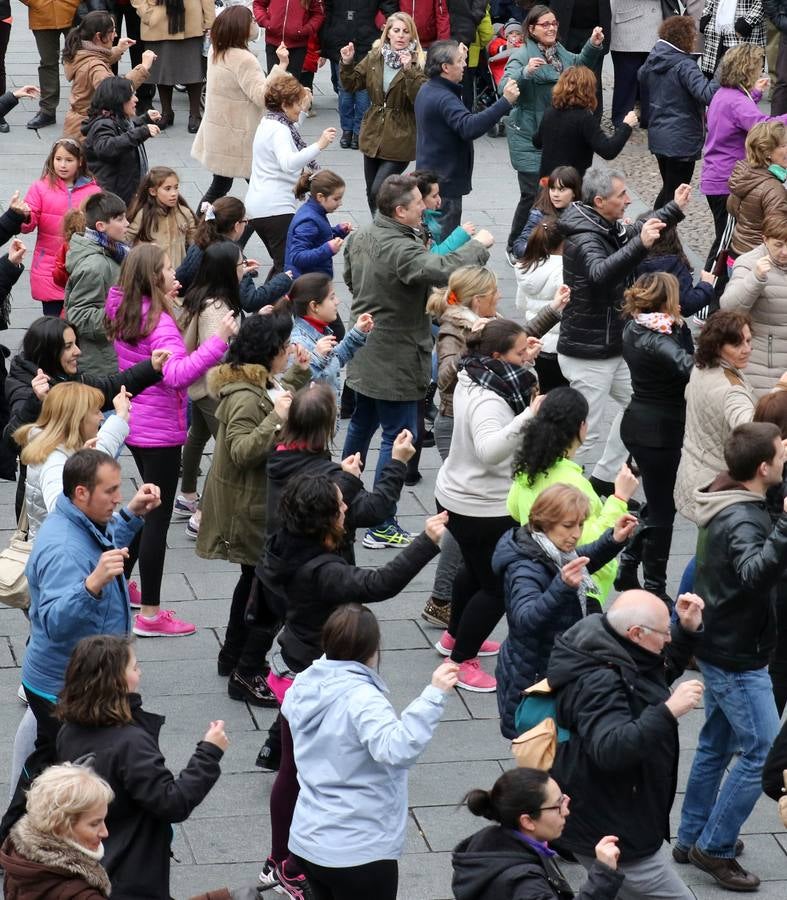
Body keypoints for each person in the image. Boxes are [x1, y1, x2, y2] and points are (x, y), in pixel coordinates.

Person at [256, 475, 448, 897]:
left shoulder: (287, 540)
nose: (348, 509)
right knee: (298, 770)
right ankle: (283, 860)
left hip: (293, 664)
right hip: (316, 669)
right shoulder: (324, 572)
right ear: (324, 518)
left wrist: (356, 472)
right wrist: (427, 542)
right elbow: (377, 585)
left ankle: (282, 857)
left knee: (297, 765)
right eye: (341, 505)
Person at [0, 448, 161, 844]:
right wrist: (91, 585)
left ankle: (17, 836)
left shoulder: (78, 522)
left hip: (64, 678)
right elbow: (52, 622)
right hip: (66, 683)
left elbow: (100, 541)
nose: (118, 497)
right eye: (110, 492)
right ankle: (26, 842)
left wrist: (130, 517)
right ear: (81, 493)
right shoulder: (63, 549)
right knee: (63, 771)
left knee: (48, 761)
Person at [341, 173, 492, 548]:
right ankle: (382, 523)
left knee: (362, 424)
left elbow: (349, 278)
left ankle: (341, 502)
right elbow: (440, 270)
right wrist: (476, 246)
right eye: (418, 203)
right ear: (400, 210)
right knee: (398, 435)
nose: (425, 206)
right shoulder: (401, 249)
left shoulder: (361, 236)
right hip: (396, 355)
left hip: (365, 349)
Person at [673, 423, 784, 891]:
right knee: (760, 748)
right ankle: (714, 847)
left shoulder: (732, 499)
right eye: (782, 452)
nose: (786, 458)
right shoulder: (742, 519)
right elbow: (756, 574)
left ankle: (691, 835)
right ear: (763, 468)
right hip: (738, 655)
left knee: (718, 744)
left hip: (721, 643)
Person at [106, 243, 237, 637]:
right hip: (160, 427)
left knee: (142, 509)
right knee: (156, 519)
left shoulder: (122, 305)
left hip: (135, 421)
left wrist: (167, 302)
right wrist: (219, 343)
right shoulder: (159, 322)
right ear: (152, 278)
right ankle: (149, 613)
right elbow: (177, 374)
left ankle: (117, 586)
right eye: (166, 269)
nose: (174, 273)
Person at [283, 604, 459, 899]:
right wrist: (434, 695)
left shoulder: (306, 682)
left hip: (308, 840)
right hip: (358, 850)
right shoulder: (363, 698)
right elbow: (397, 749)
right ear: (373, 648)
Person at [421, 267, 561, 628]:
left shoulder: (489, 322)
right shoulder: (456, 327)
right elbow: (448, 375)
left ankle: (452, 603)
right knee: (462, 520)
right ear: (477, 299)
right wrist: (474, 346)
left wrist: (551, 313)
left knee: (467, 533)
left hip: (473, 422)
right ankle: (441, 599)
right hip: (455, 421)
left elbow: (511, 346)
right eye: (494, 292)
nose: (500, 296)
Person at [547, 590, 706, 900]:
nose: (669, 638)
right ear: (635, 634)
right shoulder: (598, 680)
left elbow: (647, 679)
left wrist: (686, 631)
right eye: (665, 631)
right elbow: (610, 749)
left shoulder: (611, 645)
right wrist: (669, 710)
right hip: (614, 828)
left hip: (614, 814)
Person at [56, 634, 228, 899]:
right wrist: (209, 752)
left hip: (89, 858)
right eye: (134, 667)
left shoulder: (68, 730)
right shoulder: (130, 743)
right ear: (116, 681)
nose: (140, 672)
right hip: (131, 869)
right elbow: (172, 803)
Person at [196, 313, 311, 703]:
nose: (287, 354)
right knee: (267, 589)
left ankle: (232, 655)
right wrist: (277, 419)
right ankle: (246, 670)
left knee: (253, 581)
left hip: (250, 502)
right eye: (283, 350)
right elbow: (243, 451)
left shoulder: (251, 383)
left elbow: (271, 398)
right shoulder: (244, 396)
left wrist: (296, 378)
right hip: (247, 508)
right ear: (270, 354)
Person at [556, 167, 690, 498]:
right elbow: (601, 273)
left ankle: (602, 479)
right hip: (589, 352)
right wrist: (641, 246)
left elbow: (632, 234)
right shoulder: (584, 236)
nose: (629, 199)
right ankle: (559, 495)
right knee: (583, 433)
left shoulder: (602, 223)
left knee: (637, 404)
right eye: (622, 196)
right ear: (600, 201)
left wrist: (671, 209)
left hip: (611, 345)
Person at [434, 319, 542, 692]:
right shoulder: (490, 398)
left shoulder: (476, 373)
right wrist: (530, 415)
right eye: (519, 352)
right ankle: (461, 661)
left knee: (474, 571)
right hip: (480, 504)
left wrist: (528, 360)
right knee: (497, 587)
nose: (525, 357)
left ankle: (454, 637)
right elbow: (490, 451)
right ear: (497, 356)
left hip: (459, 492)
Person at [494, 484, 635, 739]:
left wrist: (613, 539)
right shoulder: (525, 567)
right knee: (541, 752)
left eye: (580, 525)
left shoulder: (548, 550)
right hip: (535, 675)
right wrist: (561, 587)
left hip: (551, 664)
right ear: (545, 522)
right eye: (568, 526)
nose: (576, 534)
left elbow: (580, 558)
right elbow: (524, 621)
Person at [508, 387, 639, 601]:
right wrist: (619, 498)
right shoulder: (572, 483)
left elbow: (512, 507)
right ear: (581, 427)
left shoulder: (530, 467)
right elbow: (593, 541)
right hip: (577, 587)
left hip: (538, 572)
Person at [498, 4, 604, 255]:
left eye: (554, 23)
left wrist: (592, 44)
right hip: (527, 136)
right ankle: (515, 245)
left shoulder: (559, 52)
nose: (551, 28)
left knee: (546, 196)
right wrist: (525, 73)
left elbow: (578, 64)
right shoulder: (522, 54)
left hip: (549, 139)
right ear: (531, 28)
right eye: (545, 24)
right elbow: (505, 84)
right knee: (532, 194)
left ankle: (541, 244)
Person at [617, 273, 694, 604]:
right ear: (665, 300)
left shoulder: (640, 326)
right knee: (664, 510)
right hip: (658, 432)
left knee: (660, 500)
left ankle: (628, 562)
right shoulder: (658, 337)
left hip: (642, 424)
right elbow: (688, 365)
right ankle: (654, 586)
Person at [176, 240, 257, 535]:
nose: (244, 267)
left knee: (196, 436)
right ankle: (202, 514)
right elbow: (217, 352)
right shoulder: (218, 308)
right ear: (226, 271)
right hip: (213, 389)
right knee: (226, 450)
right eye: (240, 264)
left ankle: (186, 496)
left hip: (197, 388)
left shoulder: (203, 294)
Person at [452, 768, 625, 900]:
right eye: (558, 805)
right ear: (527, 821)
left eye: (563, 799)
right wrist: (604, 874)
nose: (566, 811)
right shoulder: (526, 884)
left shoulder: (488, 843)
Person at [414, 39, 518, 234]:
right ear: (445, 67)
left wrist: (456, 52)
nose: (464, 65)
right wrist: (504, 102)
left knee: (432, 237)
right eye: (460, 61)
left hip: (434, 176)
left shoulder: (429, 88)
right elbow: (469, 127)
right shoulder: (444, 97)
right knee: (443, 242)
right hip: (444, 183)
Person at [191, 6, 289, 207]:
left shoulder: (216, 50)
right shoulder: (244, 59)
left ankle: (198, 229)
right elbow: (263, 96)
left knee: (220, 186)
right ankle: (250, 235)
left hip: (220, 133)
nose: (255, 23)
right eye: (251, 21)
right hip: (241, 138)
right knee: (261, 194)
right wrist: (281, 66)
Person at [700, 43, 786, 268]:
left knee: (724, 238)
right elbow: (764, 128)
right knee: (725, 241)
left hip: (715, 176)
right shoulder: (737, 101)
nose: (761, 70)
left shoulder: (724, 94)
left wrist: (755, 94)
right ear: (748, 69)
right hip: (725, 182)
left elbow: (739, 113)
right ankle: (710, 291)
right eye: (759, 66)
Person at [245, 74, 337, 280]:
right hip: (275, 209)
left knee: (283, 264)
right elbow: (288, 163)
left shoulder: (270, 121)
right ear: (285, 105)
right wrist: (319, 145)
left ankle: (268, 307)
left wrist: (302, 110)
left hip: (259, 207)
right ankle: (266, 308)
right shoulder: (279, 129)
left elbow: (290, 132)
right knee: (287, 267)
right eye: (297, 103)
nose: (300, 108)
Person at [14, 382, 130, 541]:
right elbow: (62, 509)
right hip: (61, 555)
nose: (102, 416)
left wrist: (121, 415)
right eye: (96, 411)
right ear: (78, 419)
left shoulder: (65, 447)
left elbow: (100, 448)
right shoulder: (53, 459)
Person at [674, 310, 757, 524]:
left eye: (748, 341)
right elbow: (753, 433)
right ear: (718, 346)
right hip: (719, 489)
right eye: (737, 344)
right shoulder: (732, 391)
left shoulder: (701, 368)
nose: (746, 349)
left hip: (694, 473)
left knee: (710, 550)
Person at [339, 12, 427, 213]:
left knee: (379, 189)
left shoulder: (419, 62)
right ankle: (380, 230)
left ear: (412, 36)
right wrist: (346, 62)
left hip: (400, 135)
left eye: (406, 32)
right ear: (388, 33)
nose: (401, 36)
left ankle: (386, 230)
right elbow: (352, 83)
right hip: (373, 132)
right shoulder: (375, 57)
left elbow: (419, 99)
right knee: (371, 191)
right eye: (396, 31)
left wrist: (409, 70)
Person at [638, 16, 720, 209]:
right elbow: (706, 94)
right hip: (681, 141)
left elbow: (641, 75)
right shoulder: (685, 65)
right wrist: (721, 71)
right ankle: (656, 235)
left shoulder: (654, 57)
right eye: (692, 35)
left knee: (669, 190)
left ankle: (654, 234)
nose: (695, 39)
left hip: (659, 135)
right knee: (674, 197)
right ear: (684, 38)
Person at [0, 763, 114, 899]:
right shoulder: (83, 895)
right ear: (60, 825)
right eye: (94, 824)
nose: (105, 832)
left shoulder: (16, 853)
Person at [21, 138, 101, 317]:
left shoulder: (93, 191)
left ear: (80, 162)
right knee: (54, 325)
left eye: (69, 160)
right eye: (58, 159)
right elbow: (27, 225)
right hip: (48, 267)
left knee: (79, 323)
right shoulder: (40, 188)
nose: (62, 165)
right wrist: (24, 215)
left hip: (82, 266)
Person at [176, 196, 293, 307]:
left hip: (196, 308)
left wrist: (243, 264)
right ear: (237, 226)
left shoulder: (200, 242)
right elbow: (250, 300)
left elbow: (181, 282)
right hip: (219, 315)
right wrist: (282, 280)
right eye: (245, 221)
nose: (246, 224)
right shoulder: (232, 254)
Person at [63, 191, 129, 378]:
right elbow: (78, 314)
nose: (127, 224)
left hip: (112, 354)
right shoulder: (95, 266)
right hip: (100, 364)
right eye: (120, 219)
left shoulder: (115, 251)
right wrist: (124, 315)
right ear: (101, 226)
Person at [62, 10, 155, 141]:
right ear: (99, 37)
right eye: (112, 31)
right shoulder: (96, 67)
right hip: (88, 130)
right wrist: (143, 67)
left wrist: (119, 49)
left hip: (77, 124)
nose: (115, 35)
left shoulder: (80, 51)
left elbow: (98, 57)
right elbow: (115, 91)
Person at [722, 211, 787, 396]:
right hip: (763, 368)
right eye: (779, 245)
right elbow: (729, 308)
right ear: (765, 239)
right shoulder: (749, 263)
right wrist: (755, 279)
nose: (785, 252)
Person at [320, 0, 399, 149]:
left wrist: (389, 28)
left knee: (363, 91)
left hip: (365, 39)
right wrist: (326, 40)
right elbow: (326, 12)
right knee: (344, 90)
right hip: (340, 40)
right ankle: (347, 130)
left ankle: (358, 130)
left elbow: (390, 7)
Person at [752, 388, 787, 713]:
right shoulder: (777, 471)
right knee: (778, 664)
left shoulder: (752, 462)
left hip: (765, 573)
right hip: (779, 575)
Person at [534, 65, 636, 178]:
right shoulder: (584, 119)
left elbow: (537, 141)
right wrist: (626, 126)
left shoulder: (550, 113)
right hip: (572, 186)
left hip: (548, 186)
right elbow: (608, 150)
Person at [130, 0, 216, 132]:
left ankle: (195, 114)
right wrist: (145, 12)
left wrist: (210, 20)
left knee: (193, 68)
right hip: (157, 18)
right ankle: (166, 112)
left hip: (190, 18)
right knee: (161, 69)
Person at [288, 273, 372, 403]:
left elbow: (335, 360)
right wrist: (317, 358)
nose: (337, 301)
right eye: (332, 298)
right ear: (314, 306)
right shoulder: (298, 344)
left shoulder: (320, 330)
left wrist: (357, 333)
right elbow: (295, 389)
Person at [82, 77, 161, 206]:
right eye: (131, 96)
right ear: (118, 100)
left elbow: (125, 129)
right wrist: (141, 132)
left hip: (126, 193)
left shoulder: (117, 119)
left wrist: (144, 119)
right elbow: (106, 147)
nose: (136, 99)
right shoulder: (102, 124)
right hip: (112, 199)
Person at [515, 216, 569, 392]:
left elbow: (520, 303)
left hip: (536, 341)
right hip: (559, 344)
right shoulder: (563, 270)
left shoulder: (526, 266)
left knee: (544, 391)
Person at [634, 214, 716, 317]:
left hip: (635, 322)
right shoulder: (672, 264)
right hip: (663, 324)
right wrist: (706, 285)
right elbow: (688, 305)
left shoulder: (630, 258)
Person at [727, 122, 787, 259]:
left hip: (737, 253)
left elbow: (732, 209)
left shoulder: (745, 174)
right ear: (767, 153)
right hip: (760, 260)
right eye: (783, 146)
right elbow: (779, 232)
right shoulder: (774, 188)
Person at [20, 0, 78, 129]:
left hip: (74, 11)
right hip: (42, 12)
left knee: (82, 61)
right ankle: (47, 111)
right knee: (48, 63)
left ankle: (85, 108)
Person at [284, 170, 353, 278]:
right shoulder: (309, 221)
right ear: (320, 197)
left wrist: (338, 231)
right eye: (336, 199)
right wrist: (328, 249)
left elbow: (318, 238)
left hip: (312, 279)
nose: (340, 203)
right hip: (307, 284)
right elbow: (297, 257)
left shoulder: (314, 212)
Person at [126, 166, 196, 269]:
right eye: (167, 189)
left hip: (177, 274)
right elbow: (125, 239)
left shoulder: (184, 213)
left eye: (176, 187)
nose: (174, 193)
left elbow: (195, 242)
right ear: (153, 191)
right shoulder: (143, 215)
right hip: (152, 273)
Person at [510, 164, 581, 261]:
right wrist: (544, 253)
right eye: (552, 188)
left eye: (562, 190)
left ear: (574, 192)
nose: (555, 194)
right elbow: (519, 246)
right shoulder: (539, 214)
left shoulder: (583, 213)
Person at [252, 0, 325, 84]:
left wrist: (305, 30)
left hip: (297, 46)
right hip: (273, 43)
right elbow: (258, 4)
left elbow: (318, 14)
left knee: (292, 84)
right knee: (273, 83)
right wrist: (266, 22)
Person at [412, 168, 476, 254]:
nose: (439, 200)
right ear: (419, 198)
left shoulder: (425, 217)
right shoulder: (414, 227)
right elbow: (431, 258)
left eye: (438, 194)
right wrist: (461, 235)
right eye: (434, 196)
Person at [699, 0, 766, 78]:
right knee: (713, 79)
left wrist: (748, 22)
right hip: (715, 33)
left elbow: (763, 3)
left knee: (744, 77)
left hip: (743, 34)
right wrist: (706, 15)